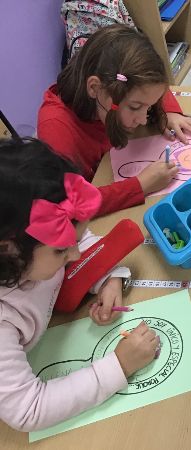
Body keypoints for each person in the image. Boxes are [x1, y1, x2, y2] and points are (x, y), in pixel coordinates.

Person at [0, 138, 158, 431]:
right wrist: (119, 365)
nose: (74, 254)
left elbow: (81, 239)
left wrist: (108, 278)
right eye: (61, 250)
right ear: (8, 250)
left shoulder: (35, 245)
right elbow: (29, 409)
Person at [37, 24, 191, 217]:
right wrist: (140, 185)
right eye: (135, 107)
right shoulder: (57, 129)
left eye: (149, 107)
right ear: (94, 88)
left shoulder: (118, 88)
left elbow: (150, 88)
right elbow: (66, 206)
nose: (143, 120)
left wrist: (170, 112)